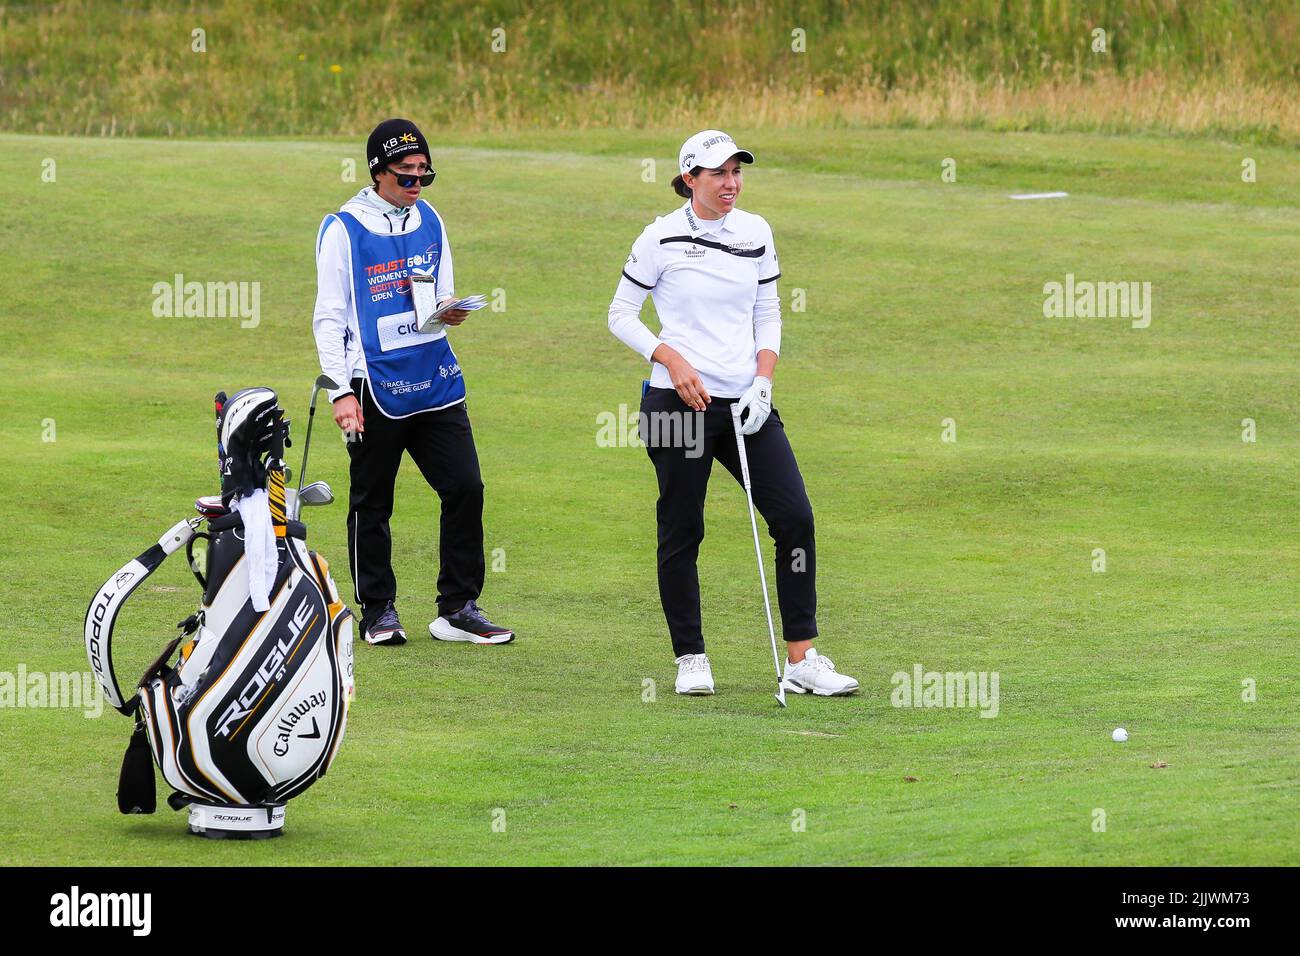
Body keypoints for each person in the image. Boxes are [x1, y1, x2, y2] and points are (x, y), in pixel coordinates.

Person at [607, 129, 857, 697]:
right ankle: (691, 658)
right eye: (718, 174)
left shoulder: (757, 231)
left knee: (794, 517)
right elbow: (620, 314)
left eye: (737, 172)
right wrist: (670, 360)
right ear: (690, 178)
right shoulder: (661, 237)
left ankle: (802, 658)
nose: (731, 183)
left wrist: (763, 380)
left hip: (746, 401)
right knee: (683, 527)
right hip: (677, 402)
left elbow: (768, 311)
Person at [312, 118, 514, 647]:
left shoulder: (430, 218)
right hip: (371, 384)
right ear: (379, 172)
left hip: (434, 378)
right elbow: (329, 317)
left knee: (466, 487)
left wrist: (448, 311)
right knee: (373, 502)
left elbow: (438, 291)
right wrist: (339, 391)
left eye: (424, 173)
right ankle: (378, 609)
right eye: (406, 174)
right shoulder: (343, 228)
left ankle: (458, 607)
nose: (417, 184)